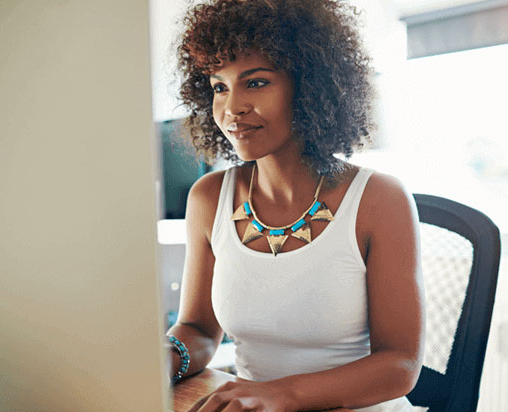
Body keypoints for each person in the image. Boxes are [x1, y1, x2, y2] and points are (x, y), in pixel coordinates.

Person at [165, 1, 424, 411]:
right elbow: (197, 329)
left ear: (308, 85)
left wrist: (280, 394)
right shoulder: (209, 198)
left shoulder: (379, 200)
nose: (232, 108)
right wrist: (167, 358)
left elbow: (400, 364)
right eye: (219, 87)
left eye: (255, 83)